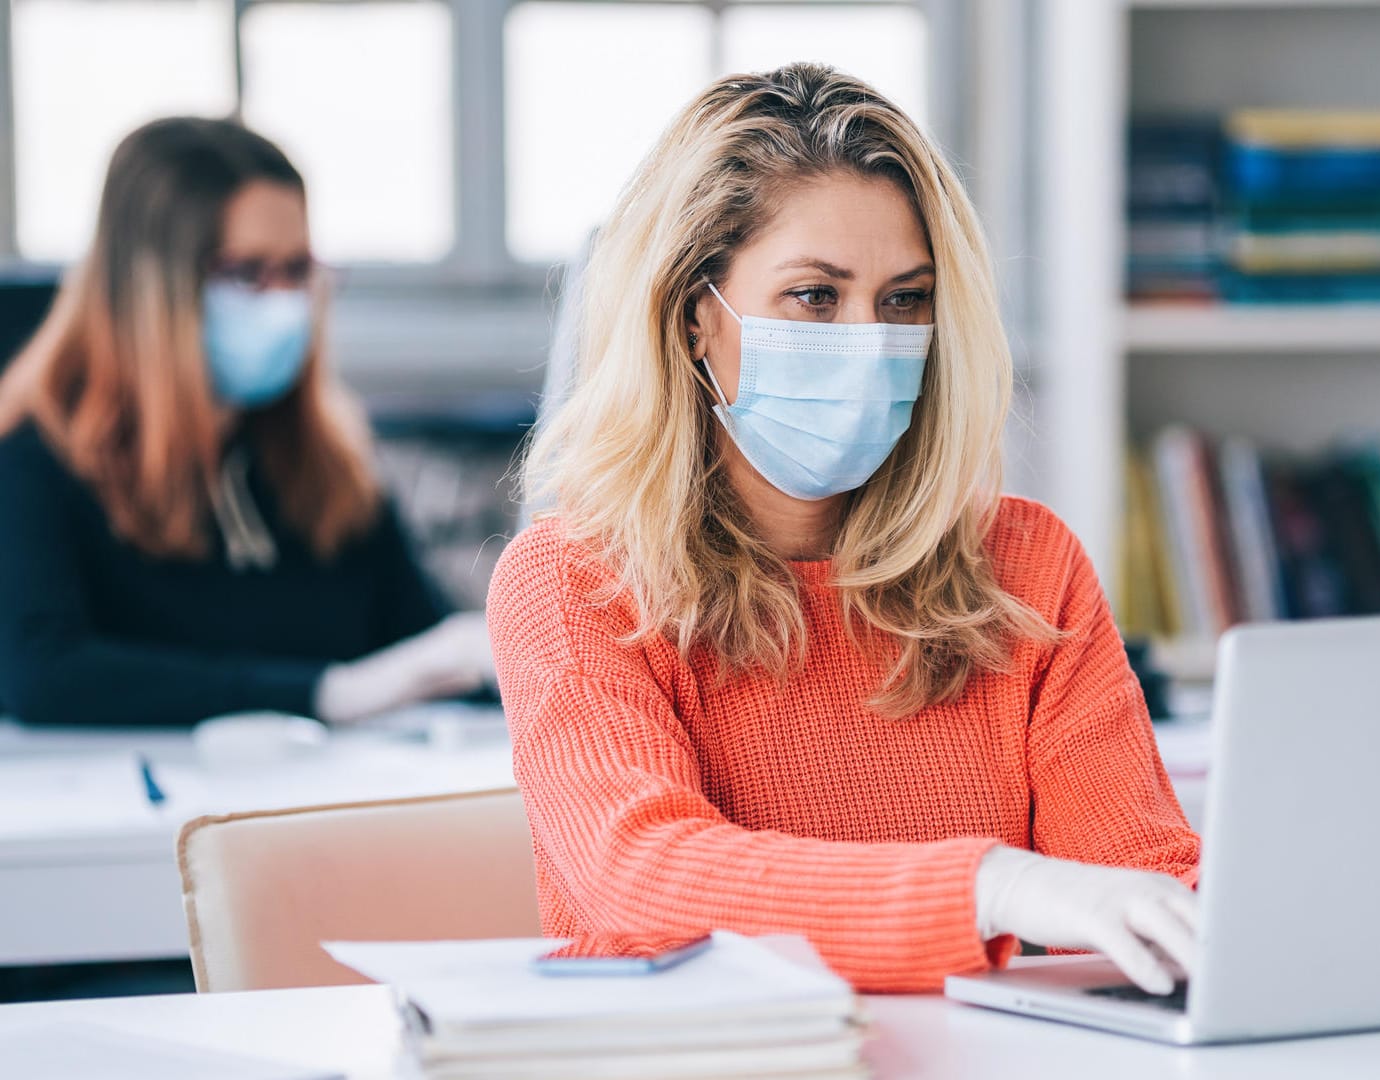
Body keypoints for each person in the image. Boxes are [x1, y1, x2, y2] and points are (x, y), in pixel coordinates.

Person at [487, 64, 1199, 995]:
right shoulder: (570, 581)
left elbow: (1139, 882)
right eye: (816, 297)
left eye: (905, 300)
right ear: (698, 317)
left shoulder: (1026, 566)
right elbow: (643, 880)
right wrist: (991, 885)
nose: (869, 339)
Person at [0, 117, 492, 728]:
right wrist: (328, 693)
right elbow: (43, 675)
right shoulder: (31, 457)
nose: (284, 302)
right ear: (152, 288)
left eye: (296, 270)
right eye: (248, 273)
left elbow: (425, 647)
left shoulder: (327, 466)